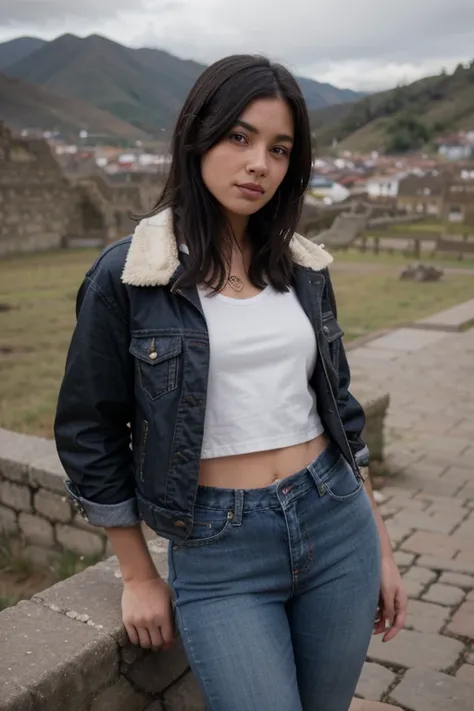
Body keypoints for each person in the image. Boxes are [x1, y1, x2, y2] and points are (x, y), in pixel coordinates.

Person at [54, 54, 408, 711]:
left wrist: (381, 546)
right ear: (197, 135)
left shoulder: (303, 267)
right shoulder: (130, 275)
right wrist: (137, 573)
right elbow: (88, 431)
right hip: (220, 548)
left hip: (337, 522)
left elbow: (339, 413)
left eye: (279, 149)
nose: (259, 164)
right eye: (239, 137)